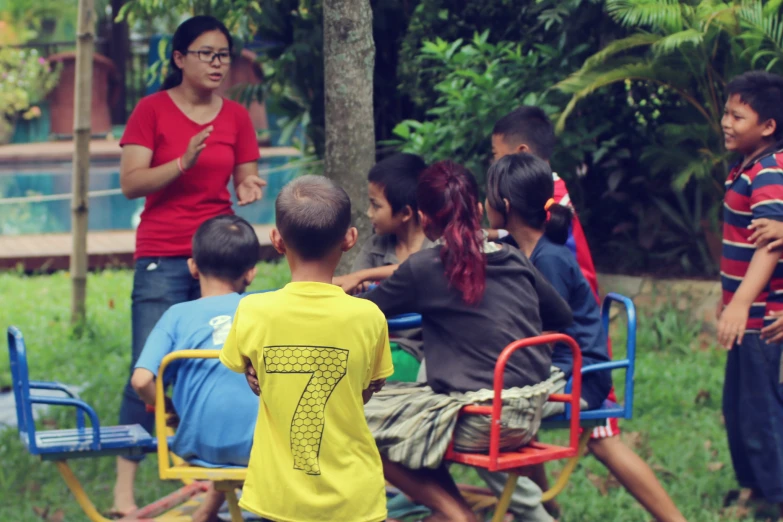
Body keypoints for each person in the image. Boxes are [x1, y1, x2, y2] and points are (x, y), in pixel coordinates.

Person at [487, 108, 685, 522]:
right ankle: (544, 511)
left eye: (495, 156)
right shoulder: (541, 200)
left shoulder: (546, 217)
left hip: (577, 351)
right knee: (523, 428)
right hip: (566, 347)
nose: (491, 163)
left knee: (601, 438)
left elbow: (550, 304)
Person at [360, 160, 573, 522]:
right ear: (476, 210)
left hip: (481, 420)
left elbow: (362, 315)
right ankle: (457, 509)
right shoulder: (513, 258)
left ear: (424, 220)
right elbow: (561, 318)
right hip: (530, 410)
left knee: (354, 420)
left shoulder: (425, 267)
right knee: (415, 411)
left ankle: (456, 513)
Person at [113, 15, 266, 515]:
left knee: (229, 362)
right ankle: (123, 492)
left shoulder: (236, 117)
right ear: (179, 59)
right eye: (207, 53)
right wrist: (182, 162)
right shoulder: (151, 110)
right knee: (148, 364)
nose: (218, 63)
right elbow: (131, 183)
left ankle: (218, 480)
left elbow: (244, 175)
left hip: (218, 253)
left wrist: (247, 187)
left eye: (224, 54)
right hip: (162, 252)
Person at [220, 175, 394, 522]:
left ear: (276, 240)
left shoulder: (253, 311)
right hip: (352, 494)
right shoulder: (368, 316)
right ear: (349, 239)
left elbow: (250, 373)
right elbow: (361, 393)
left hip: (279, 495)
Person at [129, 215, 260, 522]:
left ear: (192, 267)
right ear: (251, 273)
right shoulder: (263, 308)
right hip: (263, 446)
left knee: (218, 415)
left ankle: (209, 511)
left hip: (197, 445)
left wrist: (168, 407)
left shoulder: (177, 315)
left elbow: (141, 380)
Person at [715, 70, 783, 517]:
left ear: (768, 126)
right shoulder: (748, 167)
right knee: (739, 406)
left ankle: (775, 496)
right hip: (746, 317)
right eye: (726, 112)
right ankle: (755, 486)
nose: (726, 121)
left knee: (761, 413)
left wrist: (740, 302)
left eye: (738, 115)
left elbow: (771, 244)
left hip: (761, 318)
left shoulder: (770, 172)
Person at [333, 153, 435, 381]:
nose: (369, 213)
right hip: (374, 345)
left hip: (418, 351)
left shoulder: (436, 245)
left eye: (375, 205)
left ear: (406, 213)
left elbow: (422, 267)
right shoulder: (376, 247)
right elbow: (350, 287)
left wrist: (363, 276)